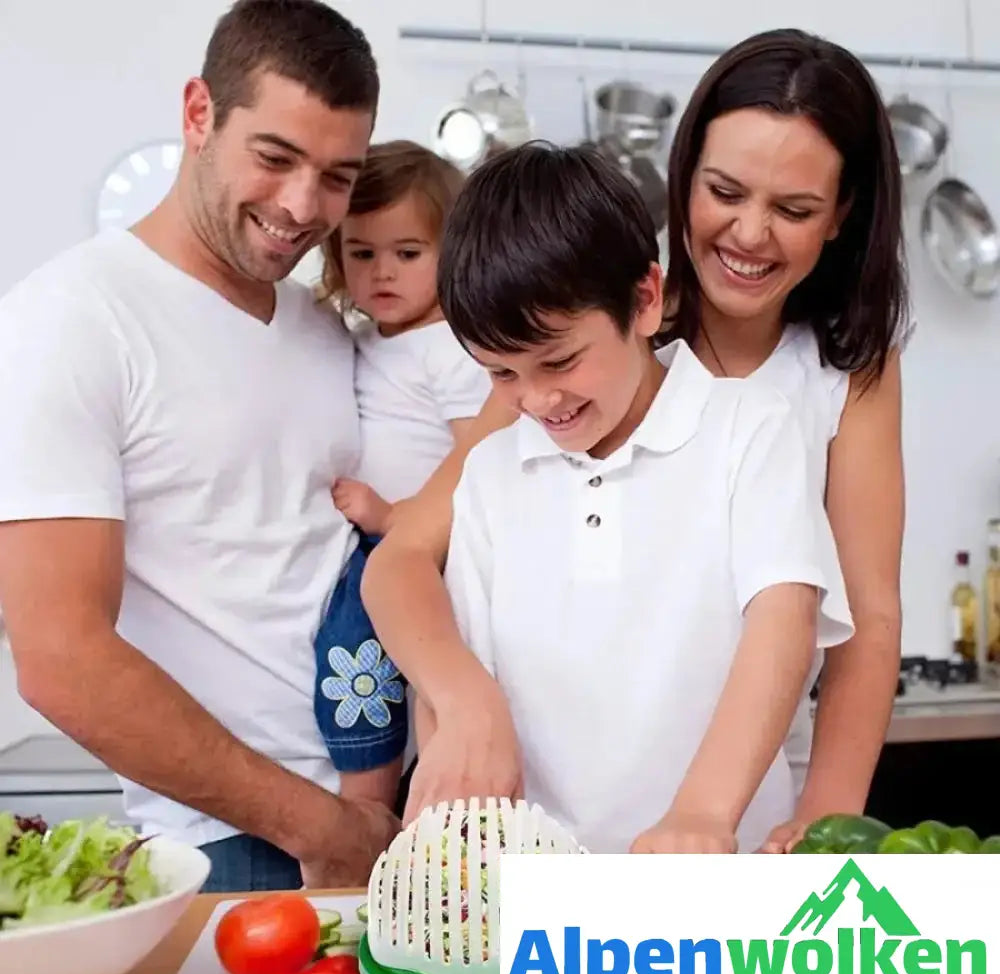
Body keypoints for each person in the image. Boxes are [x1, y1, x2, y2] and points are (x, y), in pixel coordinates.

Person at [361, 28, 907, 851]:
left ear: (840, 216)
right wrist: (462, 707)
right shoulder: (567, 339)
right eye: (725, 191)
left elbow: (850, 618)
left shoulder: (805, 390)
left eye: (792, 209)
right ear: (683, 179)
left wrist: (821, 827)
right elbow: (408, 560)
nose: (750, 234)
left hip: (725, 821)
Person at [0, 0, 400, 893]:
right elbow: (60, 655)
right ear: (197, 114)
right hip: (249, 844)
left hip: (392, 816)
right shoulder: (69, 321)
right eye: (274, 158)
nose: (302, 206)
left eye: (338, 176)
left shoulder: (326, 324)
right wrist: (321, 826)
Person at [427, 141, 853, 853]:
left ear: (645, 299)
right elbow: (464, 677)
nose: (536, 399)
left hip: (716, 879)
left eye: (559, 359)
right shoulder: (491, 474)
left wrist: (702, 814)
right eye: (501, 373)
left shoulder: (749, 427)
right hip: (548, 901)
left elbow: (784, 621)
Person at [309, 140, 490, 810]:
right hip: (380, 537)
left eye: (408, 254)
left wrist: (395, 517)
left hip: (415, 541)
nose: (383, 272)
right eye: (362, 254)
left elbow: (480, 456)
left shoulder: (451, 348)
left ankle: (367, 802)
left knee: (354, 648)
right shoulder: (366, 339)